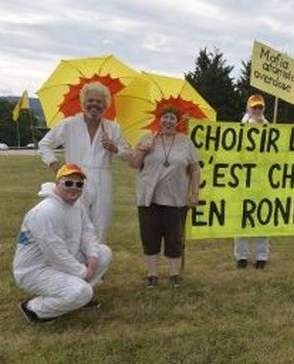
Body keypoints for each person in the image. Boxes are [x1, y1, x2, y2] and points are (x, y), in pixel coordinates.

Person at [14, 164, 112, 324]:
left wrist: (93, 257)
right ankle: (33, 308)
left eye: (79, 184)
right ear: (58, 183)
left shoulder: (76, 205)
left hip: (61, 260)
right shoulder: (44, 212)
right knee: (82, 291)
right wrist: (83, 272)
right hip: (35, 270)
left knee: (103, 252)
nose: (74, 188)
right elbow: (55, 253)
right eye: (68, 183)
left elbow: (88, 231)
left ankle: (76, 298)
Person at [38, 81, 131, 242]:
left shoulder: (113, 128)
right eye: (90, 101)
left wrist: (114, 148)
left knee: (101, 222)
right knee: (74, 220)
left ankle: (95, 262)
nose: (94, 104)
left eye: (99, 101)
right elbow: (44, 144)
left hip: (103, 178)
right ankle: (75, 264)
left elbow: (128, 154)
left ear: (106, 105)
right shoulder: (69, 124)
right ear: (83, 103)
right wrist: (57, 167)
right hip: (75, 178)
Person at [131, 106, 200, 288]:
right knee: (149, 236)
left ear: (177, 122)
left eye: (171, 118)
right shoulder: (148, 138)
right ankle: (152, 275)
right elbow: (134, 164)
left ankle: (174, 274)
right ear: (159, 120)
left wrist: (194, 193)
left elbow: (194, 168)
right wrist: (142, 151)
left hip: (176, 198)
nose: (168, 121)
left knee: (174, 238)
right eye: (164, 117)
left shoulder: (186, 142)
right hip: (148, 197)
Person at [234, 94, 270, 269]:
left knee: (262, 217)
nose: (257, 110)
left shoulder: (270, 127)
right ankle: (241, 255)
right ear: (248, 108)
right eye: (254, 107)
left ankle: (262, 256)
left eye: (260, 107)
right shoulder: (240, 128)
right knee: (241, 217)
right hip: (243, 179)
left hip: (264, 180)